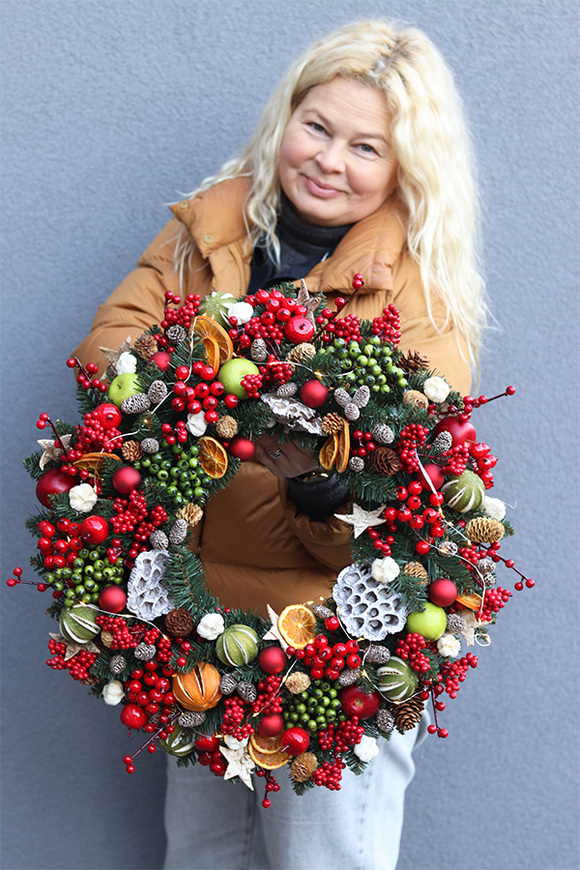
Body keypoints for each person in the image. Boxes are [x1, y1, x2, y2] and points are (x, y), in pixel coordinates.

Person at [75, 19, 486, 870]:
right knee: (201, 854)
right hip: (198, 618)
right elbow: (109, 343)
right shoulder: (210, 228)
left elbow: (415, 462)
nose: (330, 160)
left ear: (404, 167)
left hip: (336, 640)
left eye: (366, 147)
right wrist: (227, 364)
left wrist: (335, 497)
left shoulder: (415, 283)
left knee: (324, 857)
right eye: (318, 127)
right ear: (286, 119)